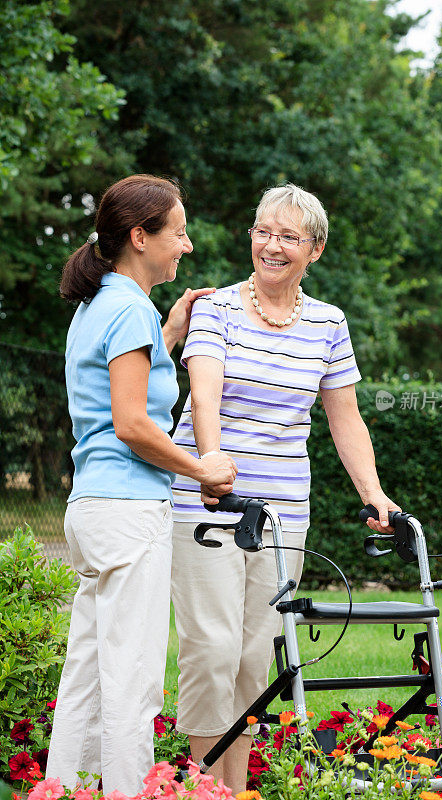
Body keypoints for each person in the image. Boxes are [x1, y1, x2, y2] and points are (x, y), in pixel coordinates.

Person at [170, 183, 401, 793]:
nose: (271, 245)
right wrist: (211, 461)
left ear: (315, 251)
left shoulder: (328, 323)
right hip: (209, 503)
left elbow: (344, 415)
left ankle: (236, 786)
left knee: (253, 655)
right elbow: (205, 389)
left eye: (289, 236)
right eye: (263, 231)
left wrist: (372, 493)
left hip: (283, 513)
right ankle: (202, 787)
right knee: (212, 649)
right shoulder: (216, 308)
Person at [45, 174, 237, 795]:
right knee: (131, 679)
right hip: (130, 513)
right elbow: (130, 424)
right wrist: (202, 467)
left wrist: (170, 330)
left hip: (94, 510)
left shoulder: (100, 305)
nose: (187, 245)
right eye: (178, 232)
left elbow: (118, 394)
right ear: (139, 236)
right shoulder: (128, 308)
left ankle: (63, 789)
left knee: (87, 674)